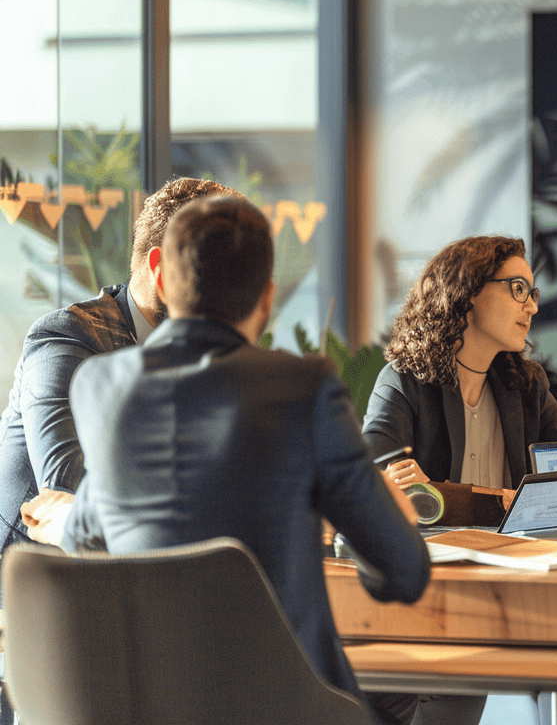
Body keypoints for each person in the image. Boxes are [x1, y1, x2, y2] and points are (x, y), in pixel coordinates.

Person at [23, 195, 431, 722]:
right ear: (267, 298)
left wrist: (69, 517)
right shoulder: (303, 386)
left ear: (164, 280)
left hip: (146, 707)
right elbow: (404, 572)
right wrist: (388, 504)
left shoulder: (101, 387)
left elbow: (99, 532)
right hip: (286, 709)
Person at [0, 177, 241, 560]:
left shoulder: (204, 357)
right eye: (217, 279)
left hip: (141, 584)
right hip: (32, 595)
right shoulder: (66, 339)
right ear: (162, 271)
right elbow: (65, 492)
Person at [363, 235, 557, 497]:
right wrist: (502, 500)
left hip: (518, 540)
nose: (532, 307)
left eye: (532, 293)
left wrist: (438, 491)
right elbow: (379, 490)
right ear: (469, 291)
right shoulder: (402, 383)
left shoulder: (528, 384)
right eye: (518, 289)